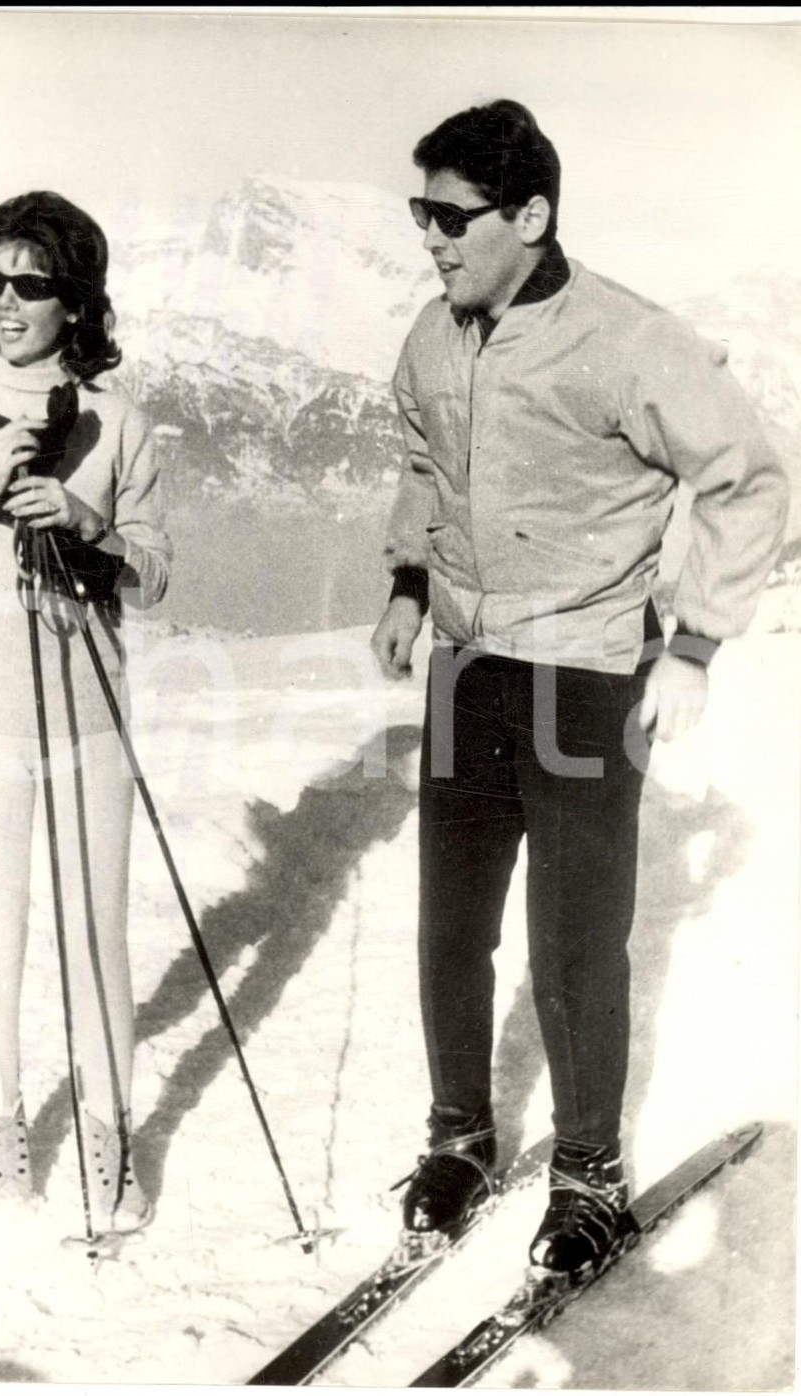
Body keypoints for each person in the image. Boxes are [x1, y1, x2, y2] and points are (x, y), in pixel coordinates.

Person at [371, 100, 788, 1273]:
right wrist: (407, 578)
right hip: (466, 663)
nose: (432, 239)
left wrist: (696, 641)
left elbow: (749, 481)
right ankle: (458, 1136)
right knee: (450, 927)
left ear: (531, 215)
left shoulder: (628, 342)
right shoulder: (432, 332)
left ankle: (589, 1171)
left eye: (451, 217)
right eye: (422, 213)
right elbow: (420, 462)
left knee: (570, 941)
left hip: (581, 672)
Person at [0, 191, 173, 1235]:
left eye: (31, 284)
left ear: (75, 298)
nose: (7, 302)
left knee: (95, 932)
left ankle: (108, 1137)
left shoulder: (120, 420)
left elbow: (153, 578)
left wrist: (91, 523)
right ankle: (3, 1133)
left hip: (88, 717)